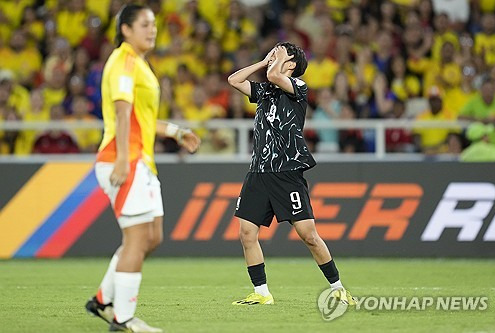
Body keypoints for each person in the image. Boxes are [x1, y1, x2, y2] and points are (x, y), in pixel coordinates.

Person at [84, 4, 200, 333]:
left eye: (154, 24)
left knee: (152, 237)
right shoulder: (124, 60)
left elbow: (142, 120)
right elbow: (122, 113)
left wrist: (176, 132)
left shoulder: (141, 64)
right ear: (126, 30)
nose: (153, 29)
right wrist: (123, 159)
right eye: (145, 24)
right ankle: (122, 319)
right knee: (136, 239)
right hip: (125, 159)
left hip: (140, 160)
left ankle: (103, 299)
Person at [227, 42, 357, 306]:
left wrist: (273, 66)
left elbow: (277, 76)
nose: (275, 53)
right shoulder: (264, 91)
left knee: (308, 234)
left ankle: (339, 288)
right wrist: (263, 63)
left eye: (281, 52)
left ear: (292, 64)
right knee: (246, 233)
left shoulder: (298, 87)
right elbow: (234, 79)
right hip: (259, 172)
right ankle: (261, 292)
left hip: (287, 172)